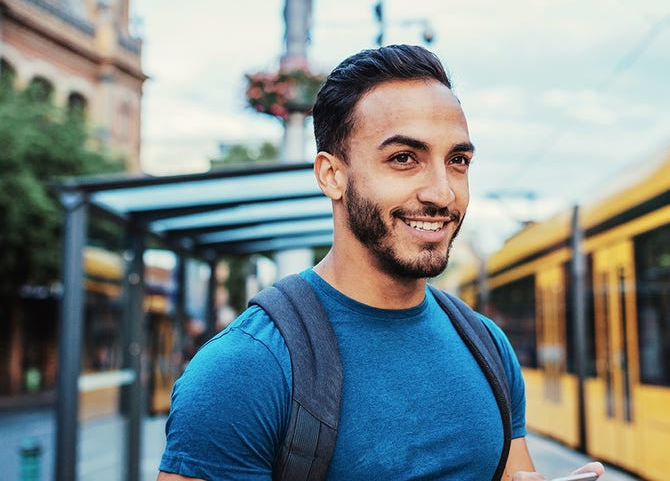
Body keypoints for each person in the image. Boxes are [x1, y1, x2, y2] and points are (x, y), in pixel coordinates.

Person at [157, 45, 604, 481]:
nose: (442, 193)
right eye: (404, 159)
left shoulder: (487, 347)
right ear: (332, 175)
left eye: (458, 161)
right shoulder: (244, 370)